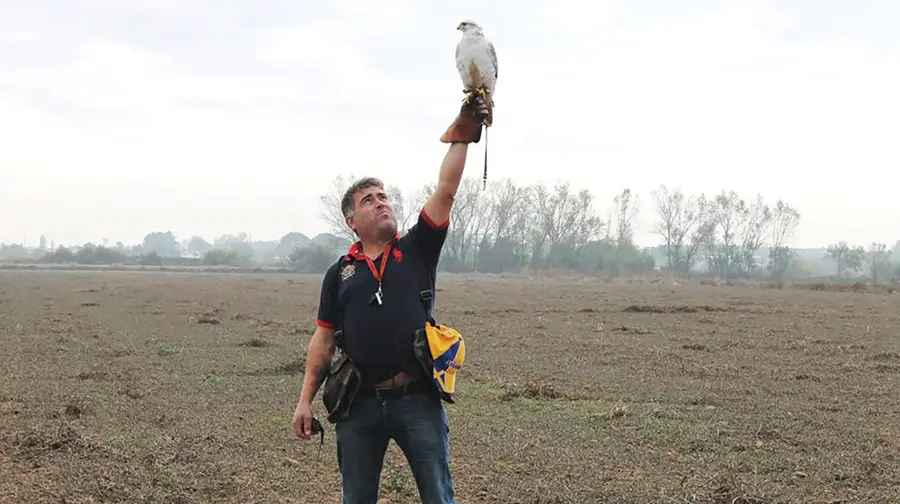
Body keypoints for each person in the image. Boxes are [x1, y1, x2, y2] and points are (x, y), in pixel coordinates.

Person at [291, 95, 490, 504]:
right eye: (369, 200)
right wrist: (304, 401)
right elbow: (323, 341)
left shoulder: (417, 249)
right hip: (359, 405)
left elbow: (447, 190)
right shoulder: (339, 274)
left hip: (417, 400)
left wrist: (465, 133)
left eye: (383, 196)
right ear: (351, 221)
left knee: (438, 496)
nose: (381, 202)